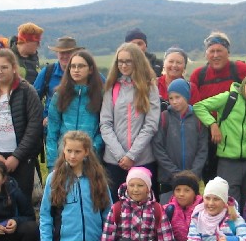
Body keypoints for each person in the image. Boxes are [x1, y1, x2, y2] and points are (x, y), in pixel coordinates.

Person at [39, 131, 112, 241]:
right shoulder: (54, 178)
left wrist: (108, 240)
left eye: (77, 151)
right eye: (69, 151)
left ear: (86, 152)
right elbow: (45, 214)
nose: (72, 156)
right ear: (63, 151)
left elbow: (108, 212)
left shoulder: (97, 178)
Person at [0, 48, 44, 205]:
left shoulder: (27, 91)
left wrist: (17, 156)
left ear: (13, 68)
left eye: (4, 67)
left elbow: (34, 126)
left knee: (21, 200)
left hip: (21, 158)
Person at [189, 31, 246, 180]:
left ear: (228, 52)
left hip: (237, 139)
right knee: (211, 180)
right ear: (206, 54)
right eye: (212, 51)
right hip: (208, 136)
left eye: (220, 51)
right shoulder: (198, 75)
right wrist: (211, 124)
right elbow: (194, 106)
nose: (215, 55)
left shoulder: (240, 69)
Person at [192, 70, 246, 202]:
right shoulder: (228, 98)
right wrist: (212, 124)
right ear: (244, 83)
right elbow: (199, 107)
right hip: (228, 160)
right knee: (230, 202)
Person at [100, 42, 162, 190]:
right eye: (120, 61)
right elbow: (105, 124)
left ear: (137, 62)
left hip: (143, 160)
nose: (123, 65)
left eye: (128, 61)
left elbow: (151, 125)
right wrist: (121, 156)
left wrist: (131, 155)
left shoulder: (149, 88)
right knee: (116, 202)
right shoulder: (112, 88)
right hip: (114, 161)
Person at [45, 48, 104, 170]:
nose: (76, 70)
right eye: (73, 66)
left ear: (90, 69)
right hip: (64, 158)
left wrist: (92, 148)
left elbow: (103, 128)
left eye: (81, 66)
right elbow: (52, 131)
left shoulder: (100, 96)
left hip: (91, 159)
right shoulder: (60, 95)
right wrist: (52, 163)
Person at [152, 78, 209, 199]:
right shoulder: (164, 117)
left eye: (178, 97)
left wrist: (193, 173)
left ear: (186, 96)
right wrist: (174, 172)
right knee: (168, 209)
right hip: (168, 180)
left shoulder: (198, 118)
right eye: (171, 98)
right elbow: (158, 147)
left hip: (193, 179)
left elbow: (202, 149)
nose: (174, 102)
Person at [163, 170, 203, 241]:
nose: (181, 194)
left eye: (187, 190)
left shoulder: (203, 209)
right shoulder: (168, 209)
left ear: (195, 192)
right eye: (178, 190)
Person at [35, 35, 78, 112]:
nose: (65, 56)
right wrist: (41, 116)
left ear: (75, 53)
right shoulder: (47, 72)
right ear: (56, 54)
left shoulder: (86, 72)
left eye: (69, 52)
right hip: (50, 118)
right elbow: (34, 99)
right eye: (62, 52)